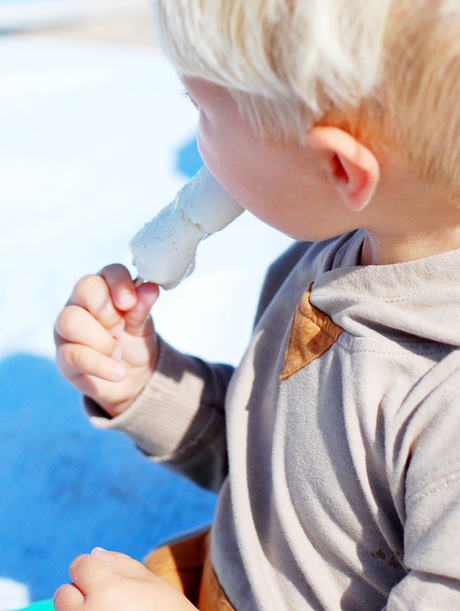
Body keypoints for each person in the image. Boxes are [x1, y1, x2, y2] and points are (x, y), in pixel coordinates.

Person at [53, 0, 460, 609]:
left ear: (340, 167)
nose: (196, 141)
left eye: (204, 111)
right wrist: (144, 384)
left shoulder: (442, 402)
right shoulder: (331, 260)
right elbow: (277, 471)